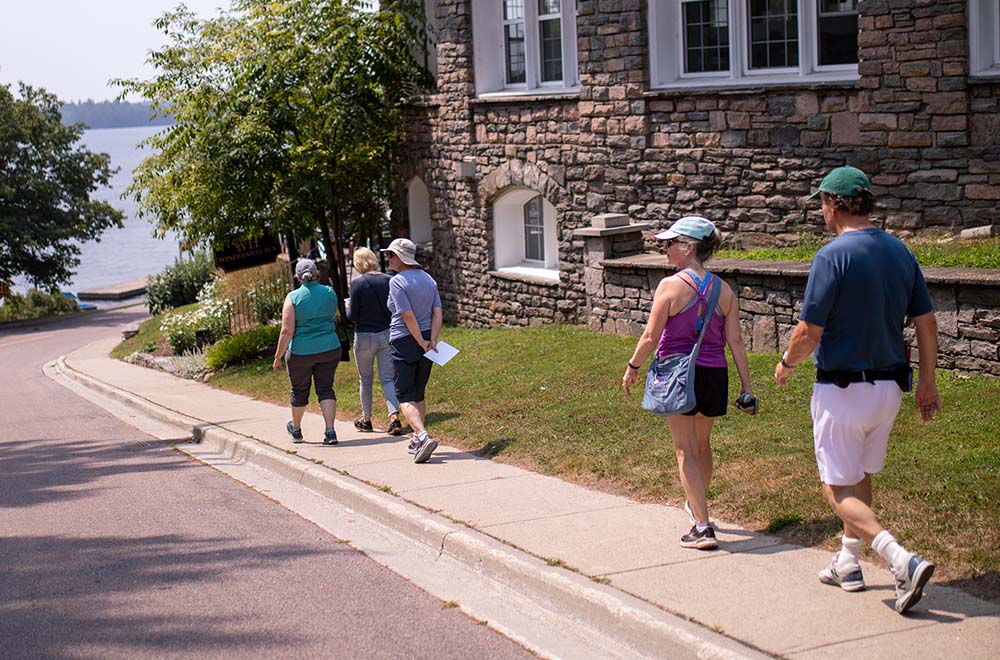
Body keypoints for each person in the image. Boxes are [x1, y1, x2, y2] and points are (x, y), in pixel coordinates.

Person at [774, 166, 942, 615]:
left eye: (821, 205)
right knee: (859, 475)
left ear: (832, 205)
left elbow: (809, 330)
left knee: (835, 487)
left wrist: (787, 363)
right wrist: (927, 380)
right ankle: (848, 562)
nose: (821, 212)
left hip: (842, 390)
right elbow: (926, 322)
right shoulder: (900, 251)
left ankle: (900, 558)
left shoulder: (832, 256)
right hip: (888, 391)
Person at [623, 216, 755, 550]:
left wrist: (633, 365)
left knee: (684, 450)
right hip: (714, 373)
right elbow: (736, 341)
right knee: (702, 446)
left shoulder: (669, 286)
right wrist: (747, 387)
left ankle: (702, 526)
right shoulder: (724, 290)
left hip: (679, 374)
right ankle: (698, 506)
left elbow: (652, 335)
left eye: (669, 243)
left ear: (688, 247)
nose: (663, 249)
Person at [381, 238, 443, 464]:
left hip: (405, 340)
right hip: (427, 339)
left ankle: (424, 435)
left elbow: (406, 315)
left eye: (391, 255)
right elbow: (437, 311)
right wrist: (431, 340)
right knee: (419, 392)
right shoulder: (429, 279)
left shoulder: (397, 282)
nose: (388, 259)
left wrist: (418, 340)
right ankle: (417, 438)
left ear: (401, 258)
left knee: (405, 395)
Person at [272, 258, 342, 445]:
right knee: (326, 389)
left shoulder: (293, 298)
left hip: (301, 353)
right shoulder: (329, 292)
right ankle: (330, 431)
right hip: (329, 347)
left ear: (298, 277)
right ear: (316, 273)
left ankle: (296, 430)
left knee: (299, 391)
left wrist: (278, 356)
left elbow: (287, 330)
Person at [348, 247, 403, 436]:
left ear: (358, 263)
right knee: (388, 378)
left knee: (365, 379)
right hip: (386, 333)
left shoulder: (357, 284)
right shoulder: (389, 280)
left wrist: (348, 306)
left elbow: (353, 315)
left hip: (364, 335)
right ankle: (394, 418)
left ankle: (367, 419)